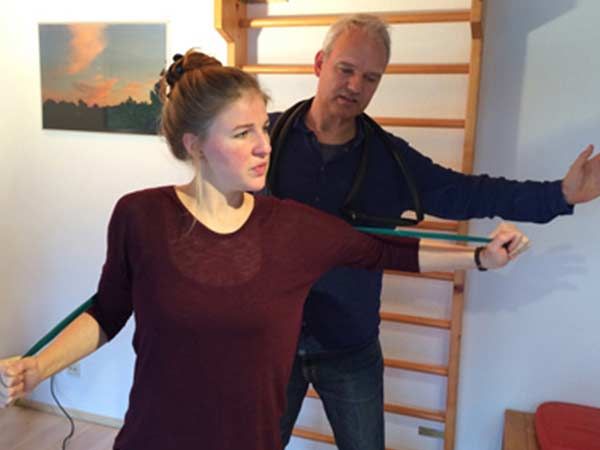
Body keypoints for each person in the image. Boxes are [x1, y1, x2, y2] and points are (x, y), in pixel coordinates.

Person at [0, 50, 528, 450]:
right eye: (242, 133)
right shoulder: (139, 216)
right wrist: (39, 366)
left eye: (264, 127)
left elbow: (382, 250)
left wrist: (479, 258)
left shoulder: (292, 228)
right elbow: (107, 311)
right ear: (195, 145)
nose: (264, 146)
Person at [270, 14, 600, 450]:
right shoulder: (262, 140)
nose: (355, 86)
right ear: (320, 63)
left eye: (370, 78)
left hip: (350, 348)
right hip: (269, 341)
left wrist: (559, 195)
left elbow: (468, 193)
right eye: (345, 69)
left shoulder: (388, 159)